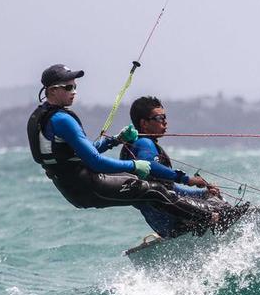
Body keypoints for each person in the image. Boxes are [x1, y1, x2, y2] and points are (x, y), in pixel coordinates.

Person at [26, 64, 232, 232]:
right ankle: (214, 218)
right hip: (88, 184)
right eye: (69, 87)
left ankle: (202, 218)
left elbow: (84, 152)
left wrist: (115, 140)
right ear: (52, 90)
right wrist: (135, 165)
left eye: (75, 86)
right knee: (154, 190)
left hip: (74, 189)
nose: (74, 92)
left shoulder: (41, 117)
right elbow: (94, 161)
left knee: (149, 192)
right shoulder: (62, 119)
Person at [120, 96, 242, 238]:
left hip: (162, 222)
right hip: (172, 219)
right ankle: (236, 225)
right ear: (144, 123)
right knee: (223, 209)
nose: (165, 122)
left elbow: (169, 190)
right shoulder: (144, 143)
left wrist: (201, 193)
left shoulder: (133, 145)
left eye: (165, 117)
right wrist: (186, 179)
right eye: (159, 118)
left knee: (210, 195)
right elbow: (149, 165)